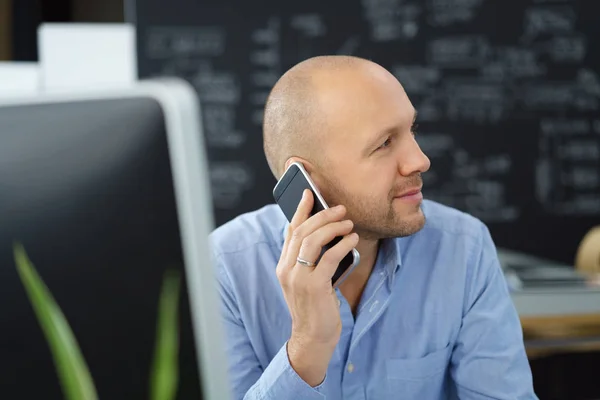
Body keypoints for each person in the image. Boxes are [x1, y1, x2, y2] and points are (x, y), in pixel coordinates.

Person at [209, 55, 538, 399]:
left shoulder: (463, 247)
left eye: (411, 130)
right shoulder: (224, 269)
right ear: (308, 180)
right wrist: (308, 346)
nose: (420, 160)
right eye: (383, 144)